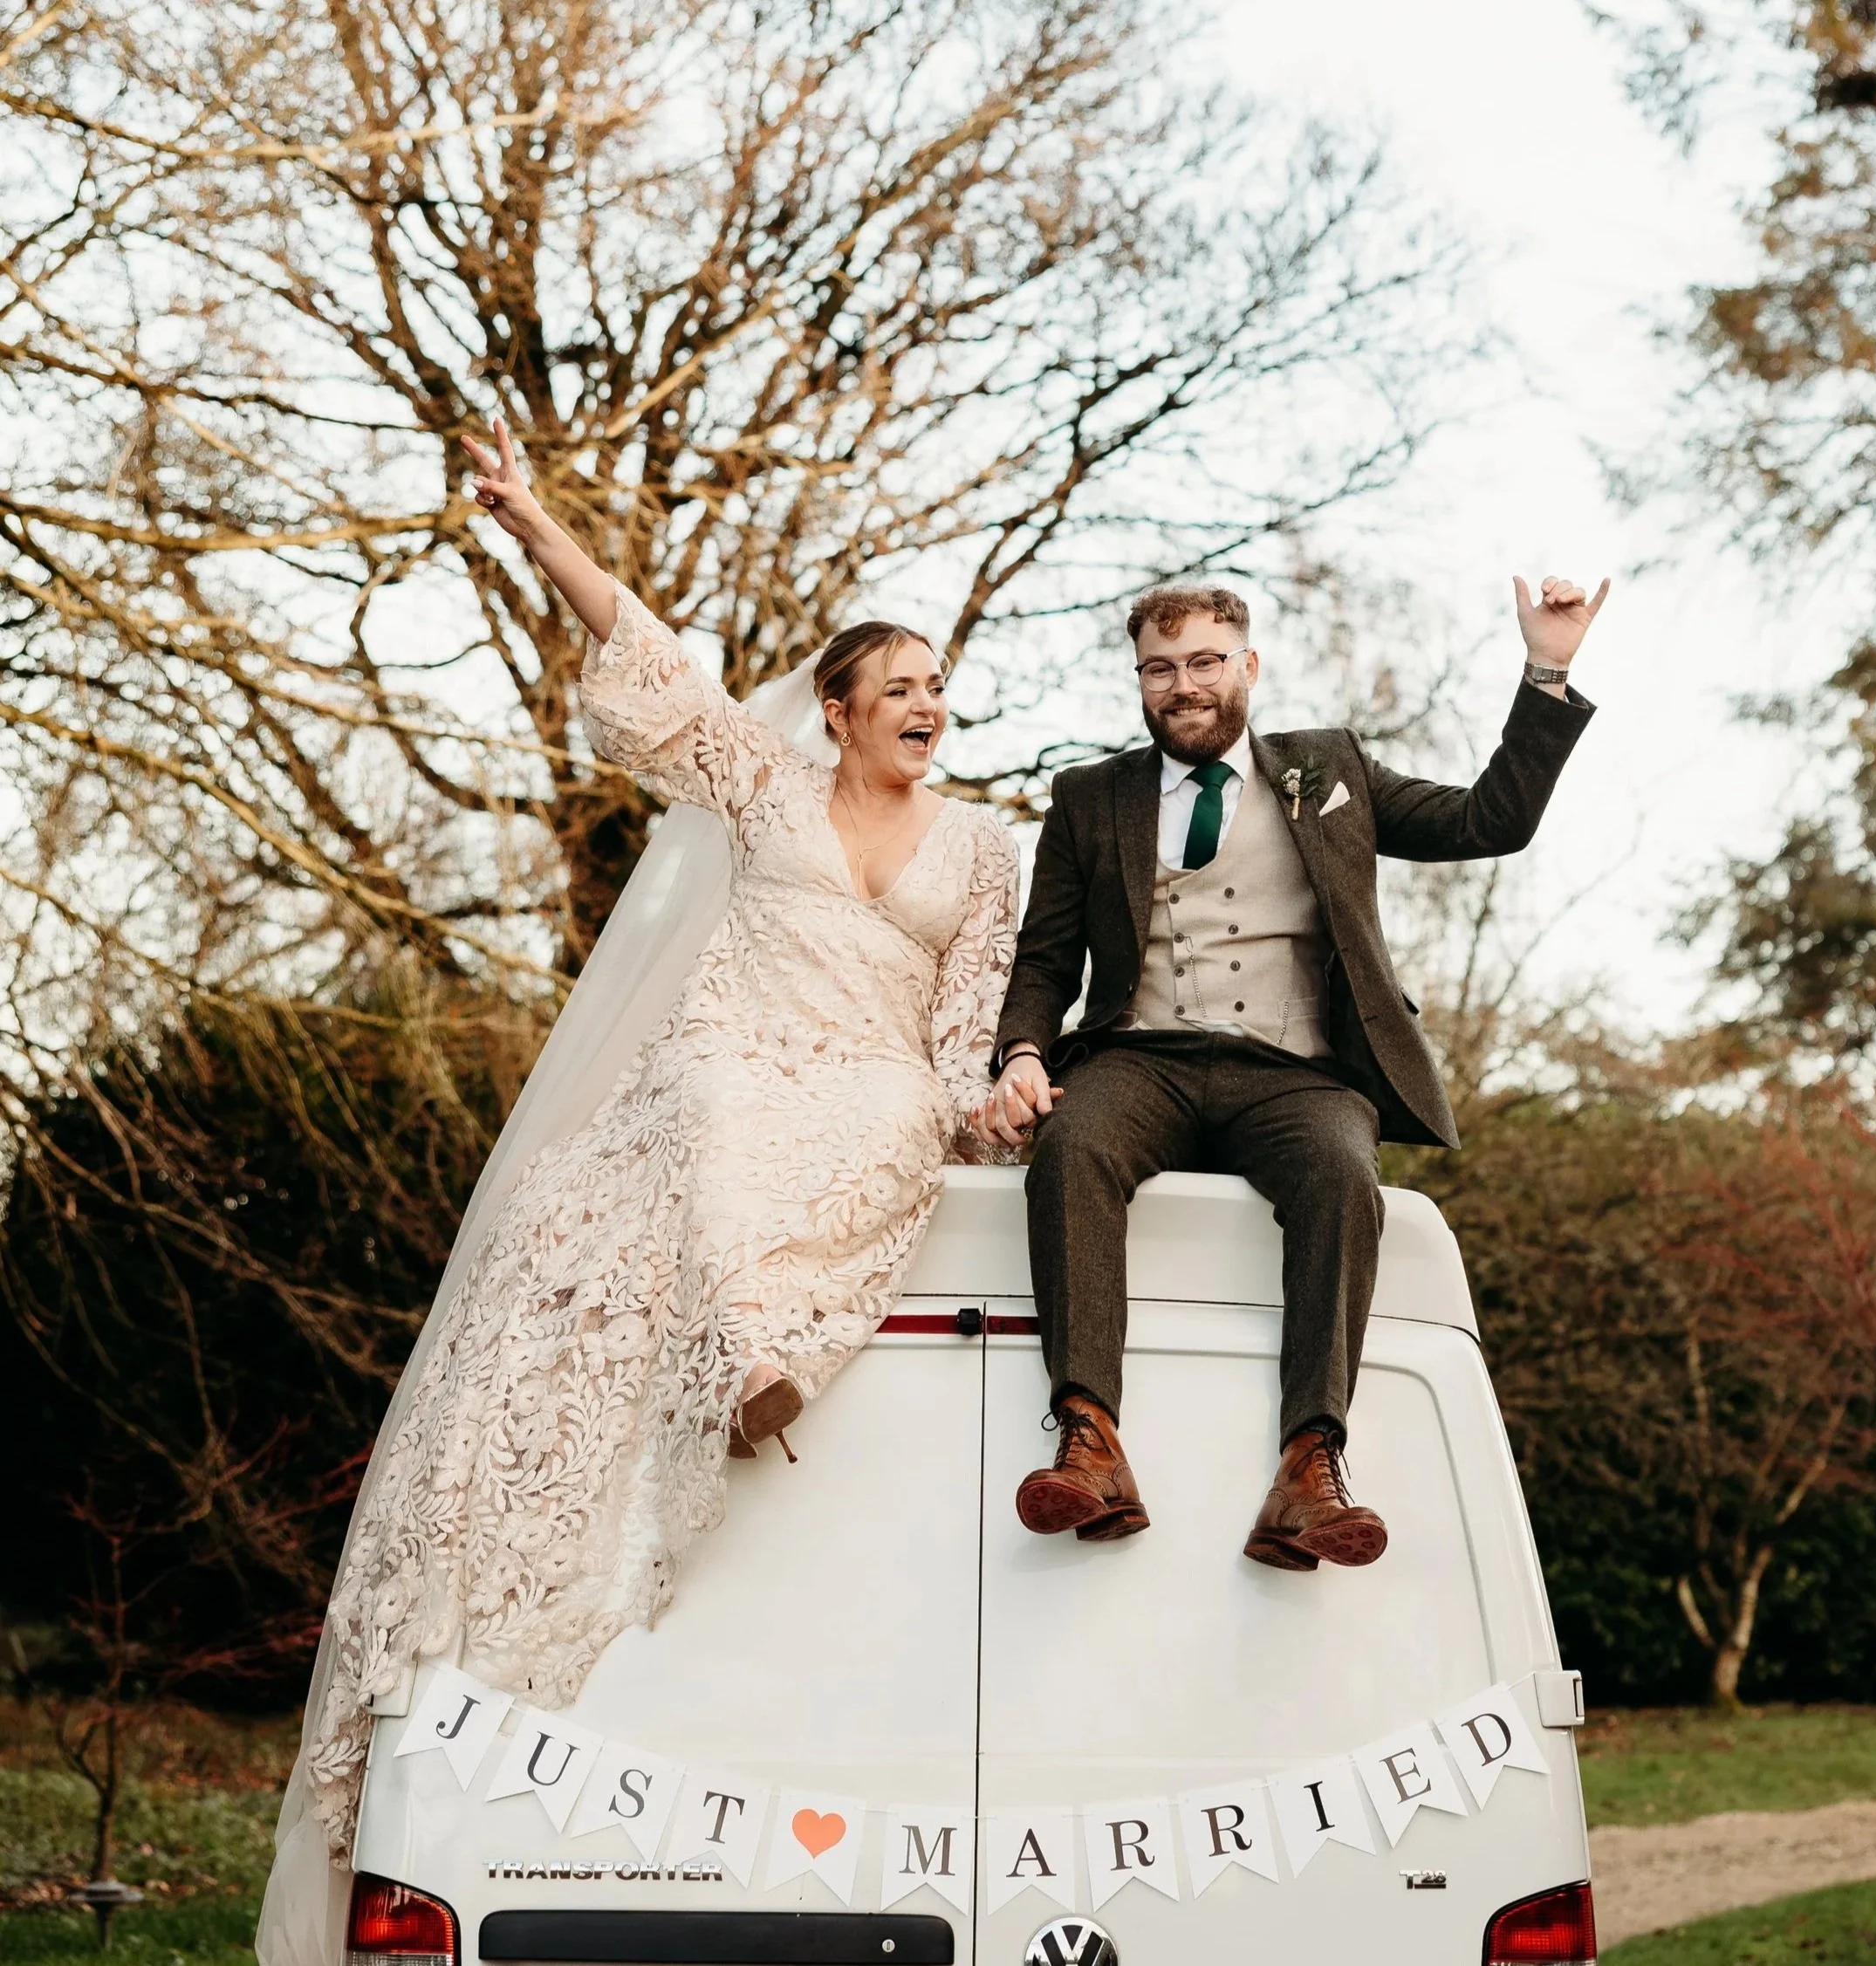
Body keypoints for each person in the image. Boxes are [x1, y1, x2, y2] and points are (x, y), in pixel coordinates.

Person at [276, 421, 1020, 1880]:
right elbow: (651, 651)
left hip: (874, 1075)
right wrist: (534, 523)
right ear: (839, 704)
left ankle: (753, 1346)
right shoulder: (764, 785)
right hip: (730, 1050)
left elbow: (966, 1011)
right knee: (715, 1117)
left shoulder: (985, 847)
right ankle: (741, 1358)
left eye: (940, 684)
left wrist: (980, 1101)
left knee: (884, 1126)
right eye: (903, 684)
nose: (929, 702)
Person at [976, 573, 1605, 1569]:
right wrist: (1019, 1055)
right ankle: (1090, 1440)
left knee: (1344, 1176)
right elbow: (1047, 958)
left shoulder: (1331, 768)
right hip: (1141, 1061)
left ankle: (1310, 1468)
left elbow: (1492, 821)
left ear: (1248, 666)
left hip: (1294, 1071)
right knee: (1073, 1144)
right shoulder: (1089, 798)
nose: (1182, 684)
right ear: (1140, 679)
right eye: (1159, 668)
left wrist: (1548, 667)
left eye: (1204, 662)